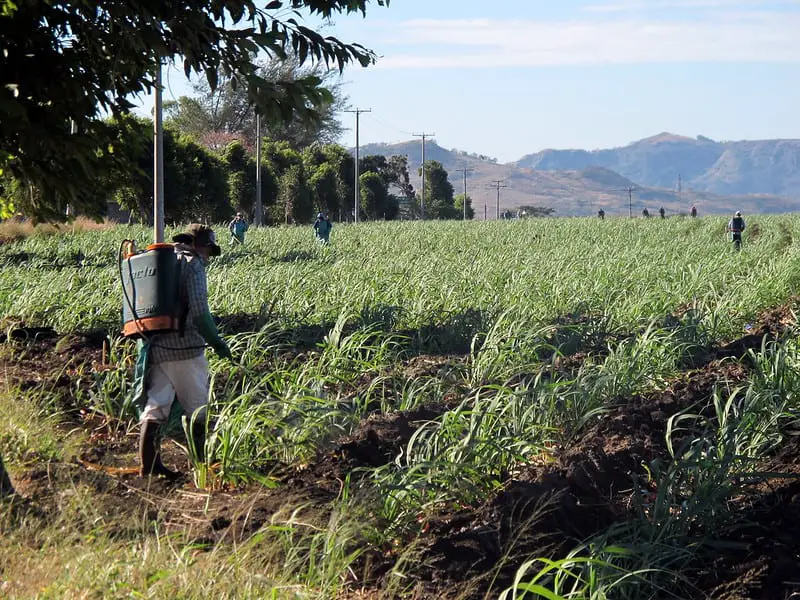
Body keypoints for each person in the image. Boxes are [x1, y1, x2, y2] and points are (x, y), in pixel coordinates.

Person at [134, 223, 232, 480]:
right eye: (209, 250)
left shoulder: (159, 260)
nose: (209, 257)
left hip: (155, 347)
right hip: (186, 348)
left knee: (156, 406)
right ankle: (203, 467)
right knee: (198, 408)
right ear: (202, 247)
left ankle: (149, 467)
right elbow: (200, 313)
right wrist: (218, 344)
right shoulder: (193, 264)